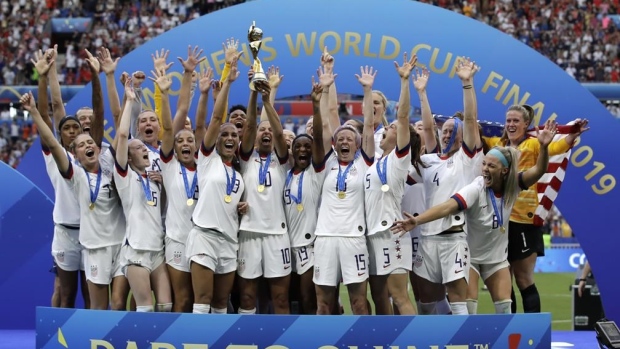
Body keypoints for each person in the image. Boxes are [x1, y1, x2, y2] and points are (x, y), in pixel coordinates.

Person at [393, 119, 556, 314]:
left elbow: (539, 170)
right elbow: (447, 207)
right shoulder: (476, 188)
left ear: (504, 171)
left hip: (496, 259)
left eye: (491, 166)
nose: (485, 169)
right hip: (470, 257)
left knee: (505, 310)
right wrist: (417, 221)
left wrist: (544, 147)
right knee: (467, 308)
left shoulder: (512, 186)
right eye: (484, 164)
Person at [22, 90, 128, 311]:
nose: (87, 145)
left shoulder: (110, 166)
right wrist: (34, 112)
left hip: (119, 245)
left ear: (98, 148)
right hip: (88, 243)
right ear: (74, 154)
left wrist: (129, 95)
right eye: (80, 145)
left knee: (116, 302)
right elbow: (51, 141)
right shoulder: (76, 176)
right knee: (70, 295)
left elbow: (121, 130)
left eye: (90, 142)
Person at [483, 105, 589, 313]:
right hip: (499, 222)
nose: (511, 124)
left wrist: (571, 136)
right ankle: (509, 332)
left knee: (523, 279)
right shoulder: (498, 145)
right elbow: (472, 132)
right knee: (504, 281)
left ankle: (534, 334)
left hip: (523, 221)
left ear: (526, 125)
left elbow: (557, 149)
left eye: (516, 121)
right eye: (508, 121)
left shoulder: (532, 144)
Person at [408, 58, 482, 315]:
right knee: (426, 302)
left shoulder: (468, 160)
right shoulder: (428, 161)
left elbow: (471, 119)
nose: (448, 133)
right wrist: (421, 93)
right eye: (445, 131)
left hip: (454, 238)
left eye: (453, 130)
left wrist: (467, 84)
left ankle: (463, 342)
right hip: (427, 238)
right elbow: (427, 127)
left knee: (457, 300)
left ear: (464, 137)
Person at [313, 65, 376, 315]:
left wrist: (368, 90)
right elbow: (324, 125)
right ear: (334, 144)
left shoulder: (364, 163)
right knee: (324, 304)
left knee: (359, 303)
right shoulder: (325, 163)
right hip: (325, 238)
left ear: (358, 144)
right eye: (340, 139)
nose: (344, 141)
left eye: (350, 138)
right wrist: (325, 89)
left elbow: (369, 125)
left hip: (354, 238)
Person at [186, 56, 247, 315]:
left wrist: (240, 206)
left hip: (229, 240)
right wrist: (228, 84)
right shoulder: (207, 160)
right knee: (203, 301)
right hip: (204, 236)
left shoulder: (239, 173)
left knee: (221, 304)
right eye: (225, 134)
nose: (230, 137)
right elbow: (213, 121)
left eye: (234, 134)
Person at [152, 47, 206, 313]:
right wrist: (186, 75)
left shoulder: (207, 166)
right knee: (182, 300)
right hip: (177, 239)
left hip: (205, 238)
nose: (184, 142)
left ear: (196, 144)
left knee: (202, 300)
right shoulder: (169, 164)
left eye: (189, 140)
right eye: (179, 140)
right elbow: (180, 110)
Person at [364, 53, 417, 315]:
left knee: (399, 297)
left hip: (392, 232)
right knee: (381, 298)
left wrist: (405, 82)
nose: (389, 128)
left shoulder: (399, 158)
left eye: (394, 127)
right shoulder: (375, 162)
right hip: (372, 233)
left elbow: (404, 116)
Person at [114, 78, 172, 313]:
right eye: (137, 148)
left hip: (157, 249)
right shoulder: (124, 178)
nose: (143, 149)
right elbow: (121, 136)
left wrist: (164, 186)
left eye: (143, 147)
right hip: (136, 250)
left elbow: (162, 207)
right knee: (145, 308)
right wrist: (129, 100)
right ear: (128, 157)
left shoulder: (155, 177)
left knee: (167, 306)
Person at [236, 70, 292, 315]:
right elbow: (249, 125)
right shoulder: (246, 158)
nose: (267, 132)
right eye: (262, 130)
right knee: (247, 297)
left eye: (269, 130)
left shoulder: (282, 161)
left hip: (277, 235)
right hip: (248, 232)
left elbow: (279, 133)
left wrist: (268, 101)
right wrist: (252, 92)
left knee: (280, 299)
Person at [282, 80, 330, 314]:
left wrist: (316, 104)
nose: (303, 150)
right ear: (291, 151)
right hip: (285, 245)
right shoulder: (287, 175)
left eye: (307, 147)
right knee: (289, 301)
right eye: (298, 147)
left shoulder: (317, 171)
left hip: (310, 246)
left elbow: (319, 137)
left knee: (307, 299)